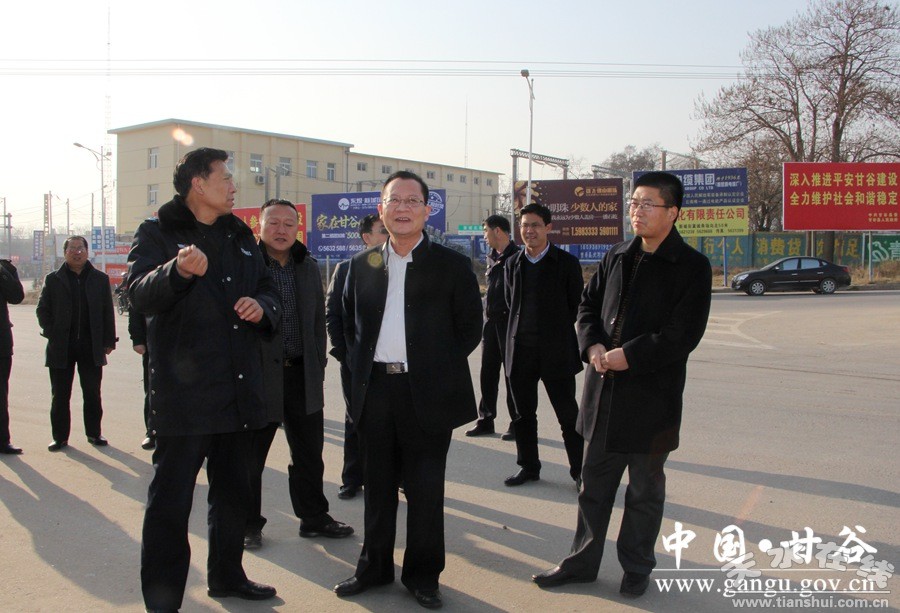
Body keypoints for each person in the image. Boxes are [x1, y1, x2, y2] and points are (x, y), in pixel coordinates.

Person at [532, 171, 711, 597]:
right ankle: (581, 563)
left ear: (673, 212)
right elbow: (587, 306)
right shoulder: (617, 255)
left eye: (648, 204)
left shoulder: (691, 266)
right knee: (592, 487)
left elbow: (682, 334)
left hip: (652, 399)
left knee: (644, 492)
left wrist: (628, 355)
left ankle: (636, 567)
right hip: (603, 393)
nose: (637, 211)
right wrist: (592, 345)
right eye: (634, 203)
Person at [127, 147, 281, 610]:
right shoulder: (158, 231)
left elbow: (268, 287)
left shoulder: (240, 234)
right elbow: (137, 294)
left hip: (238, 390)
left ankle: (228, 577)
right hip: (185, 398)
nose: (234, 186)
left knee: (233, 497)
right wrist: (175, 272)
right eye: (225, 178)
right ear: (198, 183)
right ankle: (163, 599)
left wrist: (263, 307)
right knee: (170, 505)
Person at [334, 170, 482, 609]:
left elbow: (469, 330)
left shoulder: (452, 265)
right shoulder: (358, 266)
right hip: (376, 390)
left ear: (427, 210)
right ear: (381, 210)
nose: (402, 208)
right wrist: (357, 369)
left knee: (425, 490)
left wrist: (432, 368)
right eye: (394, 201)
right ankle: (374, 568)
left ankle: (423, 576)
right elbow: (344, 327)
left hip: (428, 393)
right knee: (377, 487)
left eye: (412, 201)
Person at [245, 198, 353, 549]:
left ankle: (314, 517)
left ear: (298, 228)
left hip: (302, 374)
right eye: (273, 223)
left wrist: (318, 365)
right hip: (260, 377)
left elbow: (317, 322)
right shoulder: (246, 265)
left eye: (289, 224)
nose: (281, 230)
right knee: (250, 458)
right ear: (259, 226)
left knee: (309, 454)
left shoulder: (307, 266)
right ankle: (248, 524)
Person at [502, 203, 584, 487]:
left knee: (568, 416)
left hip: (556, 352)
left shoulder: (566, 263)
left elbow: (576, 306)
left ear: (548, 227)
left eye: (535, 225)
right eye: (524, 225)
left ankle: (580, 471)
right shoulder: (513, 263)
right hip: (520, 352)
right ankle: (528, 467)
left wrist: (553, 330)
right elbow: (511, 304)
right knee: (523, 415)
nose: (529, 231)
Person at [325, 213, 388, 500]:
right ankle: (352, 478)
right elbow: (333, 315)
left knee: (395, 420)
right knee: (356, 419)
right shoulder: (346, 269)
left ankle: (396, 476)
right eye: (382, 230)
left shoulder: (400, 267)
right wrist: (344, 354)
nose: (387, 235)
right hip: (356, 362)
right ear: (367, 238)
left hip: (392, 362)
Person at [36, 236, 116, 452]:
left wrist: (108, 341)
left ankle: (94, 433)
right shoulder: (53, 279)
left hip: (91, 346)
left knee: (92, 392)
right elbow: (42, 310)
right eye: (72, 248)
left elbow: (107, 312)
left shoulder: (100, 279)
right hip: (61, 346)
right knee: (60, 395)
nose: (77, 252)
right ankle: (59, 437)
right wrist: (53, 332)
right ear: (65, 253)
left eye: (80, 248)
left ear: (87, 251)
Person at [465, 214, 518, 440]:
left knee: (512, 376)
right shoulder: (492, 258)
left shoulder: (516, 257)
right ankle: (486, 420)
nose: (484, 237)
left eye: (486, 231)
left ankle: (518, 423)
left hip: (509, 325)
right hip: (491, 324)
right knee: (488, 374)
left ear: (498, 231)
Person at [0, 259, 25, 455]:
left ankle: (2, 440)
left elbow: (16, 296)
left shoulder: (4, 269)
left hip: (1, 343)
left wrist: (4, 272)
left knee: (1, 394)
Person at [126, 304, 154, 450]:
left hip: (188, 346)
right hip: (154, 344)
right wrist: (137, 339)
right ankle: (152, 432)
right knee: (153, 389)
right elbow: (136, 305)